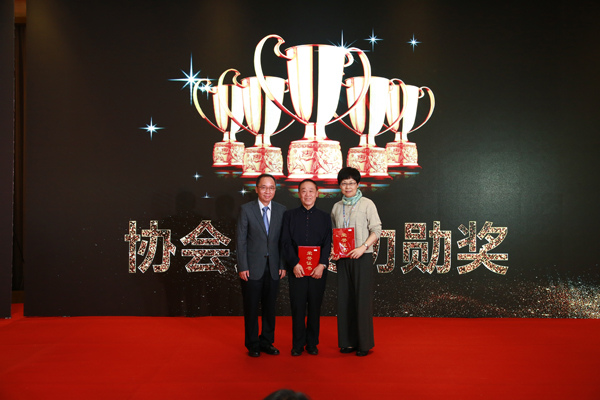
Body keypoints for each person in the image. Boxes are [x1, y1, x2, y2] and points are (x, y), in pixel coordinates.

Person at [331, 167, 381, 357]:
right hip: (343, 259)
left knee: (362, 300)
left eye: (351, 183)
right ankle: (347, 342)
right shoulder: (336, 207)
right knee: (345, 299)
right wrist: (334, 250)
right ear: (339, 186)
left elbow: (377, 230)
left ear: (358, 184)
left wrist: (362, 247)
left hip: (362, 257)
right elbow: (334, 232)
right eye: (344, 183)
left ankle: (364, 344)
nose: (348, 186)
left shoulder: (367, 204)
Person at [236, 173, 287, 357]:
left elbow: (283, 241)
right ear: (256, 189)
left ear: (275, 190)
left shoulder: (281, 210)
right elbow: (241, 240)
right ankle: (252, 344)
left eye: (271, 188)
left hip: (274, 267)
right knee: (251, 307)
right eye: (264, 187)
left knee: (270, 307)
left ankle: (267, 341)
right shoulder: (246, 209)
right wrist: (243, 266)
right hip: (252, 267)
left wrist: (282, 264)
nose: (268, 191)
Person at [281, 179, 332, 356]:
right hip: (297, 270)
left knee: (315, 307)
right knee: (298, 306)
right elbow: (285, 242)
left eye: (311, 191)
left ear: (317, 193)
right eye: (304, 191)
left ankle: (312, 343)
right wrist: (294, 263)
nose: (307, 194)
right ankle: (297, 344)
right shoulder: (289, 216)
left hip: (318, 270)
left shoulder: (325, 217)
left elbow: (327, 243)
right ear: (299, 194)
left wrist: (322, 265)